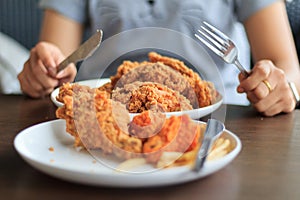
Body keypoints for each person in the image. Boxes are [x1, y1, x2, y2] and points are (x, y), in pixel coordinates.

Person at [18, 0, 300, 117]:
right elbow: (57, 59)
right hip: (108, 115)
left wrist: (281, 86)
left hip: (220, 120)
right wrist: (45, 70)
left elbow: (284, 65)